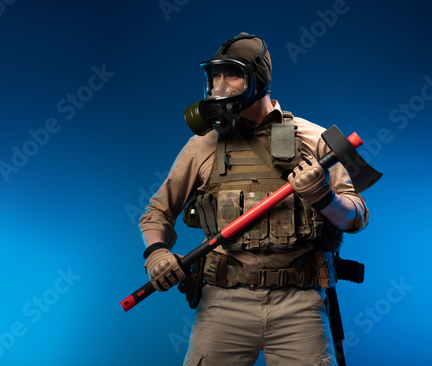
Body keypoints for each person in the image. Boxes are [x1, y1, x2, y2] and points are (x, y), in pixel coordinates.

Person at [139, 33, 368, 365]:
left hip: (300, 305)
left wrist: (323, 196)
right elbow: (157, 212)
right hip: (224, 304)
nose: (219, 85)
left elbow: (356, 217)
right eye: (214, 76)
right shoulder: (203, 146)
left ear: (257, 79)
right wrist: (156, 254)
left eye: (231, 73)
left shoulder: (315, 139)